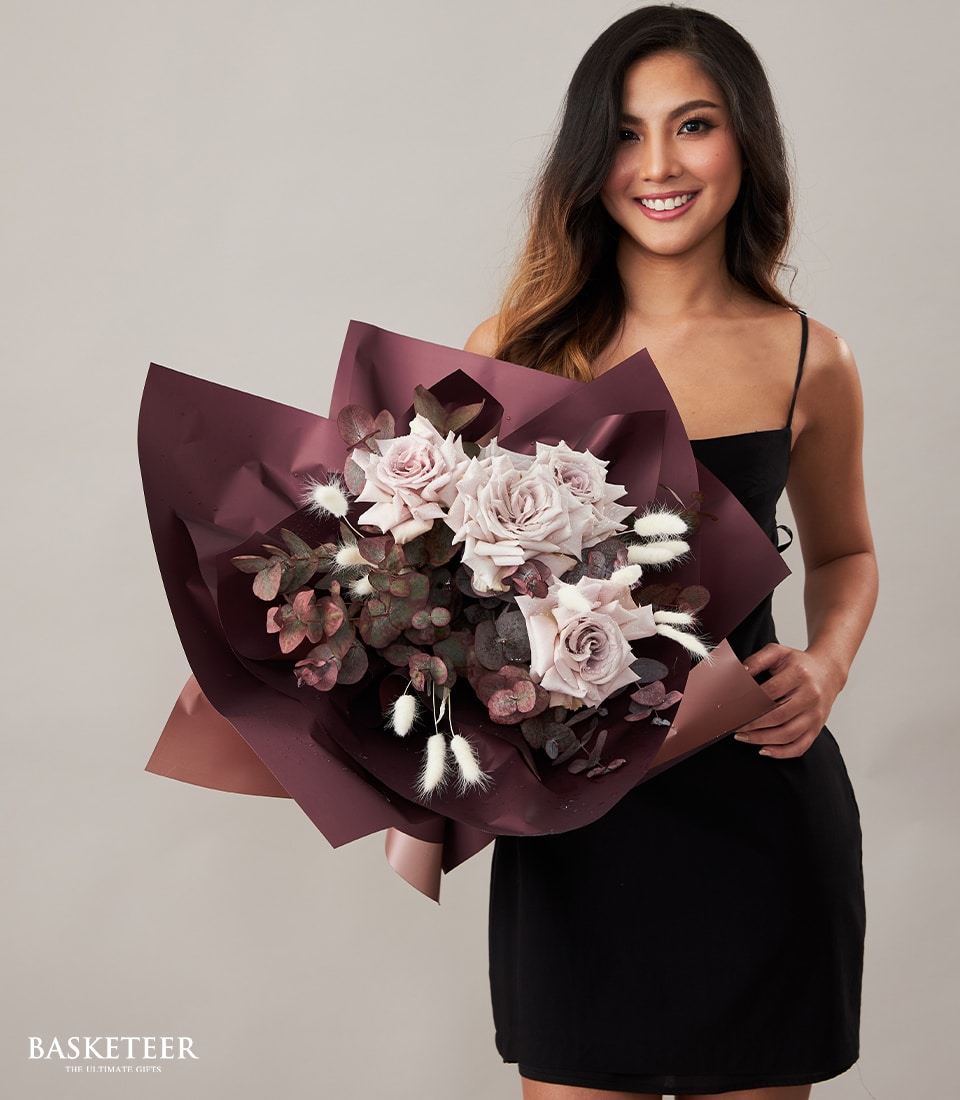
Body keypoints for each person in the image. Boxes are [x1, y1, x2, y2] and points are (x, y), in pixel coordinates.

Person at [464, 6, 878, 1099]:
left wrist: (827, 664)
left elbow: (847, 552)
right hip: (577, 825)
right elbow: (442, 586)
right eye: (627, 131)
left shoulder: (811, 358)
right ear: (588, 158)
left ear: (746, 141)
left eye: (693, 125)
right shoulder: (514, 348)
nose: (658, 164)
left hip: (759, 807)